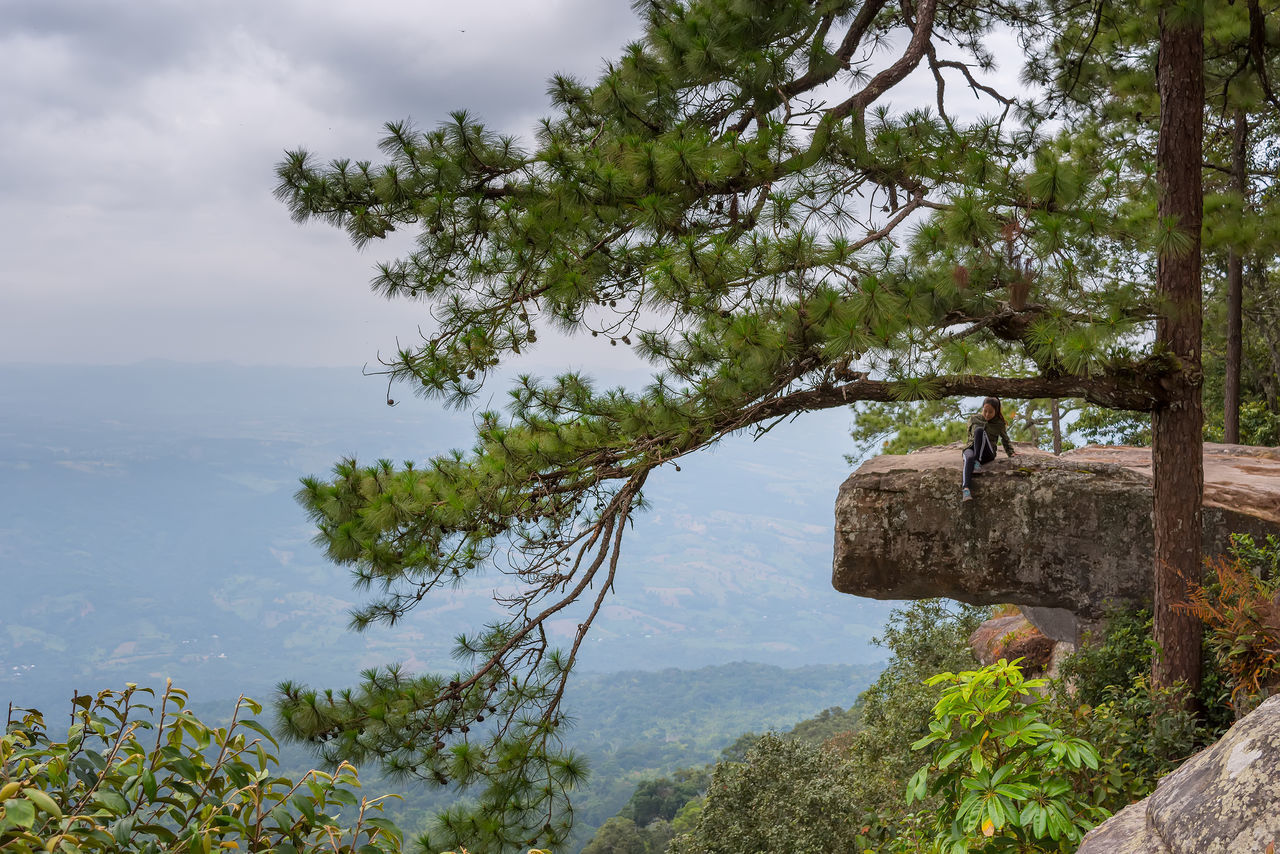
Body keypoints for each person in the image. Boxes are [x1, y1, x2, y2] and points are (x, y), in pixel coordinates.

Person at [962, 397, 1016, 502]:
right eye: (985, 411)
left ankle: (977, 462)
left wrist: (1011, 453)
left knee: (979, 431)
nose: (987, 414)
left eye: (990, 412)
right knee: (969, 458)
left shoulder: (999, 423)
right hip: (971, 447)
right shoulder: (973, 419)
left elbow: (1005, 440)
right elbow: (969, 437)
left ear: (996, 411)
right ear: (982, 408)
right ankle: (966, 490)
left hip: (988, 452)